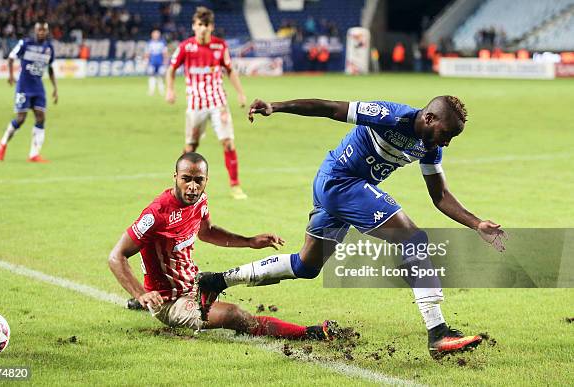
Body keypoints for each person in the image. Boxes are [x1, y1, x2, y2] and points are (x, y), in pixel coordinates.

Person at [196, 96, 508, 359]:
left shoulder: (430, 147)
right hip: (340, 183)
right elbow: (331, 108)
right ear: (428, 117)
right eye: (446, 134)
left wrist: (476, 223)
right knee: (412, 239)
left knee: (307, 265)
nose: (447, 143)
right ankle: (438, 333)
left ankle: (217, 280)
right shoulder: (390, 115)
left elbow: (439, 196)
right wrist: (276, 106)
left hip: (343, 189)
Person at [108, 152, 335, 340]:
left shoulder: (199, 201)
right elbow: (116, 256)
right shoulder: (156, 214)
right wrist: (140, 294)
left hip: (194, 285)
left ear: (206, 180)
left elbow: (207, 232)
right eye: (186, 179)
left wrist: (250, 241)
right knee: (232, 314)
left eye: (199, 180)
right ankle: (308, 334)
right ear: (175, 177)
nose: (193, 187)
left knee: (242, 280)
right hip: (171, 301)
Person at [165, 7, 248, 200]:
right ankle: (180, 185)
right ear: (194, 26)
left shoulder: (220, 46)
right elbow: (171, 69)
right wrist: (170, 89)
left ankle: (235, 185)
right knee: (190, 147)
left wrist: (241, 93)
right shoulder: (186, 47)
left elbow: (230, 71)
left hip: (218, 103)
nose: (203, 29)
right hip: (196, 105)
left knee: (228, 143)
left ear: (212, 27)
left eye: (206, 25)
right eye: (199, 25)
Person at [0, 22, 58, 162]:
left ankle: (34, 154)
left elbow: (50, 68)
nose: (41, 32)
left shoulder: (49, 47)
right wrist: (11, 76)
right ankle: (3, 143)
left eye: (44, 30)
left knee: (41, 117)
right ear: (35, 31)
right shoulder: (25, 43)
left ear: (47, 32)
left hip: (38, 87)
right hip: (24, 86)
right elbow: (11, 58)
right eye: (39, 30)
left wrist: (55, 88)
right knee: (21, 118)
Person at [145, 29, 168, 96]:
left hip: (160, 63)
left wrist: (165, 62)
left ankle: (162, 91)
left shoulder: (162, 43)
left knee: (160, 77)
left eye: (157, 34)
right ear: (152, 35)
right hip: (152, 63)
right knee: (152, 77)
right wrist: (146, 61)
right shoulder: (149, 43)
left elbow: (165, 53)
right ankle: (151, 91)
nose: (156, 35)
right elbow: (147, 53)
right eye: (155, 34)